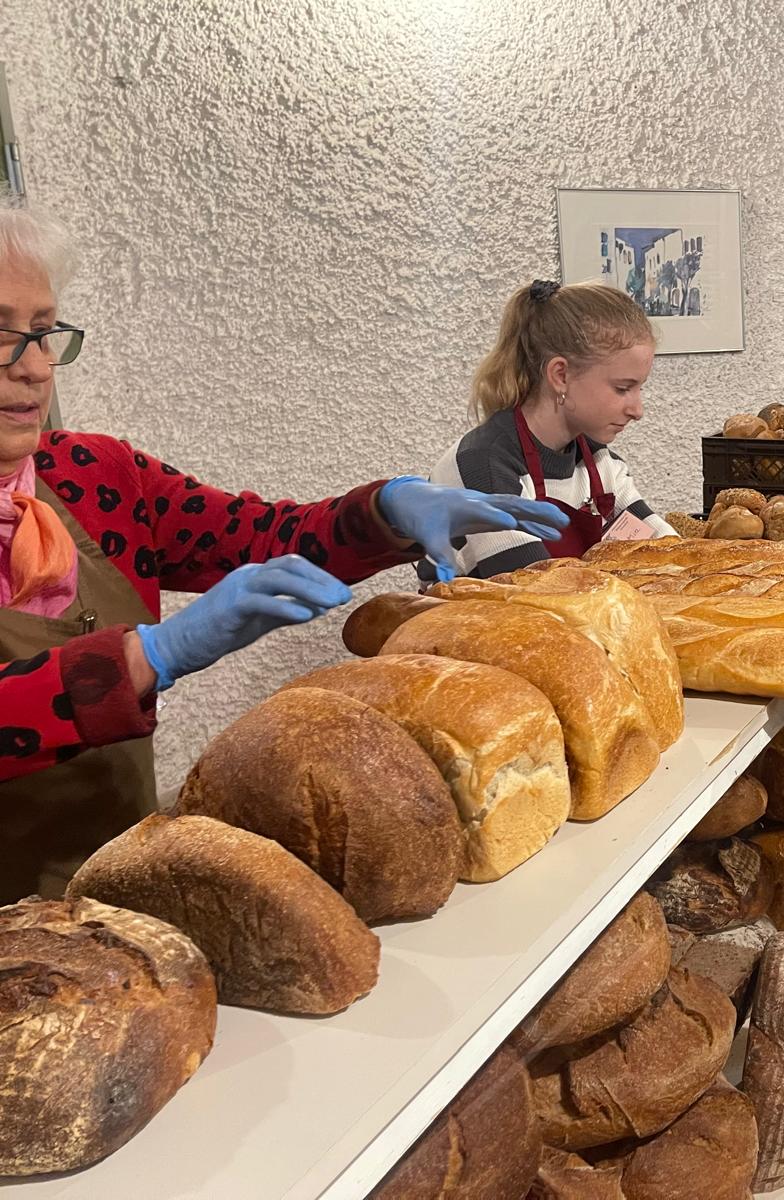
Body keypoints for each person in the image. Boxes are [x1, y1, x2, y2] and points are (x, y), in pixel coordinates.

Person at [0, 205, 567, 902]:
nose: (34, 368)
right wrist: (148, 657)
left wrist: (387, 509)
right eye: (2, 335)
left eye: (43, 332)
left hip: (108, 887)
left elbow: (259, 536)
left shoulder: (95, 474)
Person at [423, 279, 674, 578]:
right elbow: (539, 592)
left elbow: (671, 554)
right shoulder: (483, 467)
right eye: (623, 388)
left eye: (639, 389)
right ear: (561, 375)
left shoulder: (600, 464)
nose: (638, 411)